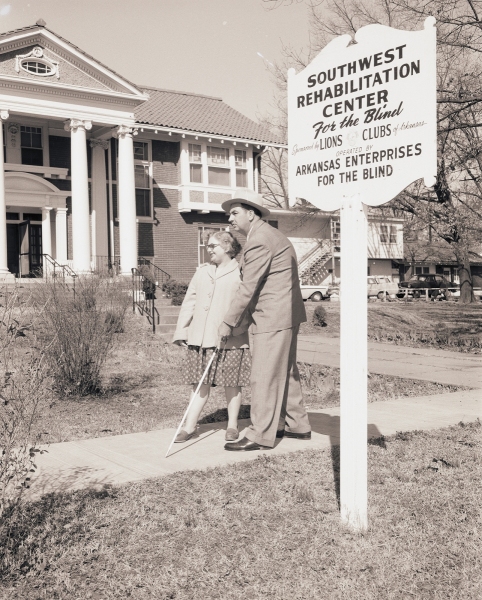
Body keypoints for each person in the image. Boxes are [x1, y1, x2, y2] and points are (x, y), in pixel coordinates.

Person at [218, 189, 311, 451]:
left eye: (235, 213)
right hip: (285, 315)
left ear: (251, 213)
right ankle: (296, 424)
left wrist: (229, 321)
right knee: (286, 370)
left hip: (272, 317)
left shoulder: (259, 240)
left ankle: (260, 434)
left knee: (264, 375)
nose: (230, 219)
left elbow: (248, 287)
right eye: (229, 214)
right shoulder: (271, 235)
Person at [172, 230, 251, 443]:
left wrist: (235, 329)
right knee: (199, 383)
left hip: (231, 340)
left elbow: (246, 306)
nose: (208, 250)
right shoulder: (202, 272)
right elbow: (190, 301)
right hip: (200, 338)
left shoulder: (241, 273)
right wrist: (182, 330)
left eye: (212, 246)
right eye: (208, 246)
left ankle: (232, 426)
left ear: (227, 247)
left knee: (232, 383)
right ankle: (190, 427)